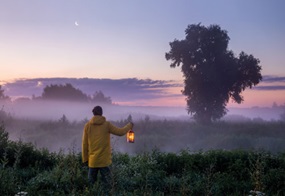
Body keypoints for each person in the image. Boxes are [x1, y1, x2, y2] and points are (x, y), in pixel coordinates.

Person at [82, 105, 133, 191]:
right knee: (108, 186)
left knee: (91, 187)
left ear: (93, 113)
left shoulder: (87, 126)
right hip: (104, 162)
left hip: (92, 161)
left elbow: (84, 144)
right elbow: (120, 132)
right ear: (102, 113)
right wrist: (129, 125)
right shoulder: (107, 125)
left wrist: (85, 159)